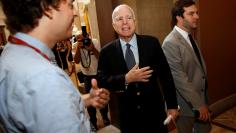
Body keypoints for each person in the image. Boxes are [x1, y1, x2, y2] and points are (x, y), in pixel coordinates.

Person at [0, 0, 110, 132]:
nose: (75, 12)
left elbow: (45, 107)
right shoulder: (45, 78)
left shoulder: (10, 51)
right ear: (46, 8)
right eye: (70, 4)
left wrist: (87, 99)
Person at [97, 4, 179, 133]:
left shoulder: (152, 43)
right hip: (128, 117)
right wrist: (126, 78)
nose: (125, 22)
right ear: (114, 25)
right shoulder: (106, 52)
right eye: (119, 19)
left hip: (155, 113)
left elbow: (166, 75)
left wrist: (172, 105)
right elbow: (102, 81)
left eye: (129, 17)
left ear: (135, 22)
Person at [162, 0, 211, 133]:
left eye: (197, 13)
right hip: (184, 107)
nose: (197, 16)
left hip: (200, 100)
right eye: (191, 13)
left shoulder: (189, 36)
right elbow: (180, 79)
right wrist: (199, 105)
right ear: (179, 17)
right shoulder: (170, 42)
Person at [74, 33, 110, 130]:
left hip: (98, 74)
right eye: (78, 39)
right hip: (86, 77)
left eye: (82, 38)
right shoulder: (76, 46)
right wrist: (78, 47)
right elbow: (76, 61)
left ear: (87, 36)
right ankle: (93, 120)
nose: (81, 41)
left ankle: (105, 116)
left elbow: (101, 57)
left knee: (101, 96)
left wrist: (92, 49)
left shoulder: (94, 42)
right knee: (89, 99)